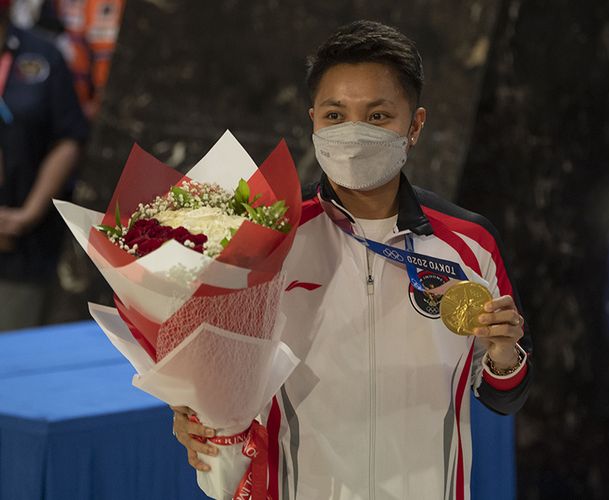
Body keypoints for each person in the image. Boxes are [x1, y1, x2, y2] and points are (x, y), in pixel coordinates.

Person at [173, 20, 532, 499]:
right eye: (336, 116)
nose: (354, 133)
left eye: (378, 116)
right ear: (313, 122)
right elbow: (219, 371)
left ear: (416, 125)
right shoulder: (267, 238)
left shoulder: (469, 243)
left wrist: (506, 357)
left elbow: (503, 398)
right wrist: (193, 414)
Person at [0, 0, 89, 330]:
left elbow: (69, 139)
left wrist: (27, 215)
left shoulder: (43, 55)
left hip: (21, 246)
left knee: (14, 359)